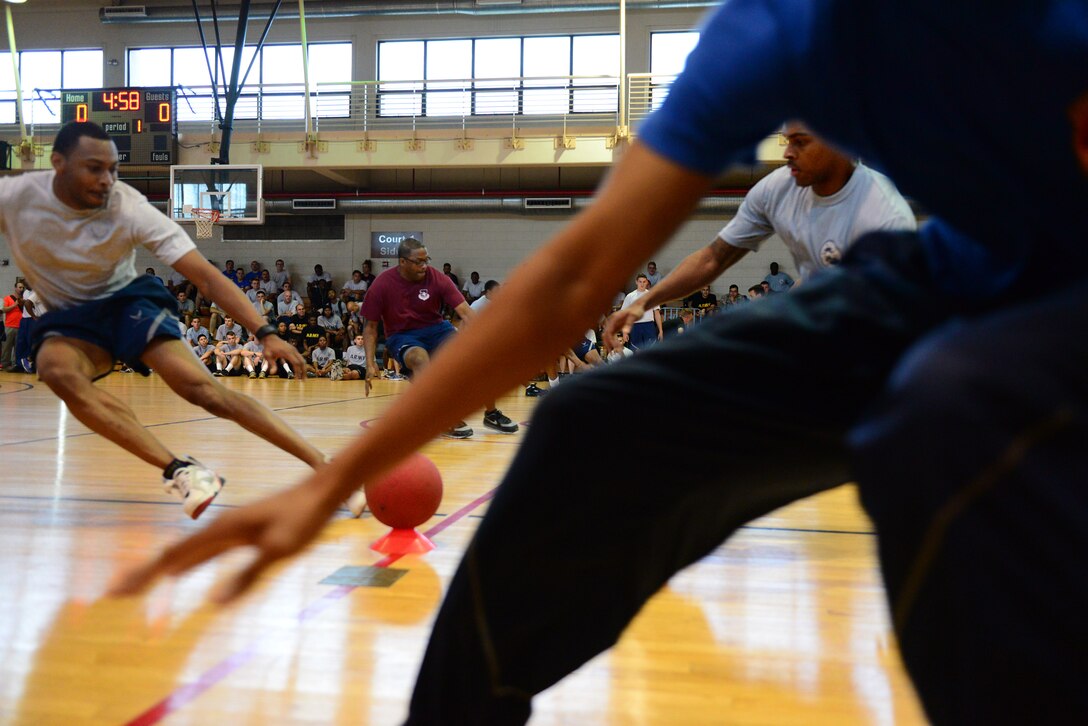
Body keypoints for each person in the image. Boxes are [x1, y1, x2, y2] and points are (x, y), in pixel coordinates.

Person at [111, 4, 1088, 723]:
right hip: (970, 266)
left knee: (950, 413)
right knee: (589, 422)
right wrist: (336, 480)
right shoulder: (778, 31)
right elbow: (574, 271)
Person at [1, 120, 326, 518]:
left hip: (124, 302)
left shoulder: (129, 207)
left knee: (204, 392)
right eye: (94, 168)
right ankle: (183, 472)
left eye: (113, 169)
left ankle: (326, 468)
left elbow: (206, 277)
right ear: (58, 164)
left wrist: (265, 331)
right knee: (56, 372)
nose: (107, 179)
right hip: (68, 319)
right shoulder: (14, 197)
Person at [361, 239, 518, 438]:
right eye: (419, 262)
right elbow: (370, 327)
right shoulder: (382, 284)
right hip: (402, 336)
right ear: (402, 262)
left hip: (437, 330)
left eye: (426, 260)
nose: (424, 266)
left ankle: (492, 413)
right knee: (419, 357)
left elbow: (465, 311)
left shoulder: (436, 277)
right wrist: (369, 363)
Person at [619, 273, 662, 350]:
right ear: (636, 282)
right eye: (640, 281)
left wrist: (661, 330)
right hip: (635, 326)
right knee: (636, 351)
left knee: (651, 350)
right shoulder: (630, 296)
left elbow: (657, 314)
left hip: (649, 326)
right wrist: (624, 332)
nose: (642, 284)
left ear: (647, 282)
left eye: (644, 282)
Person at [1, 280, 25, 371]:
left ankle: (16, 364)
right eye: (19, 287)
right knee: (6, 347)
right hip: (9, 326)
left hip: (20, 326)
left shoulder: (24, 299)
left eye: (22, 287)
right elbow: (4, 310)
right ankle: (4, 364)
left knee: (17, 348)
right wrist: (15, 305)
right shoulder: (8, 298)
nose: (21, 289)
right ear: (15, 288)